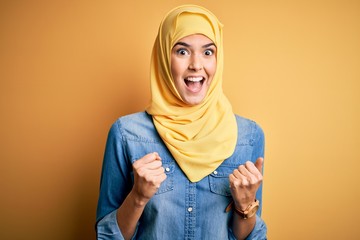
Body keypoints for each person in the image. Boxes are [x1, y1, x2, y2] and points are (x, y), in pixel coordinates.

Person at [96, 4, 267, 240]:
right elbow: (107, 237)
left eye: (208, 52)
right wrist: (138, 197)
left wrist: (245, 207)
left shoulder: (249, 136)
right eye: (182, 51)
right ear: (164, 58)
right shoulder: (126, 134)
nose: (196, 64)